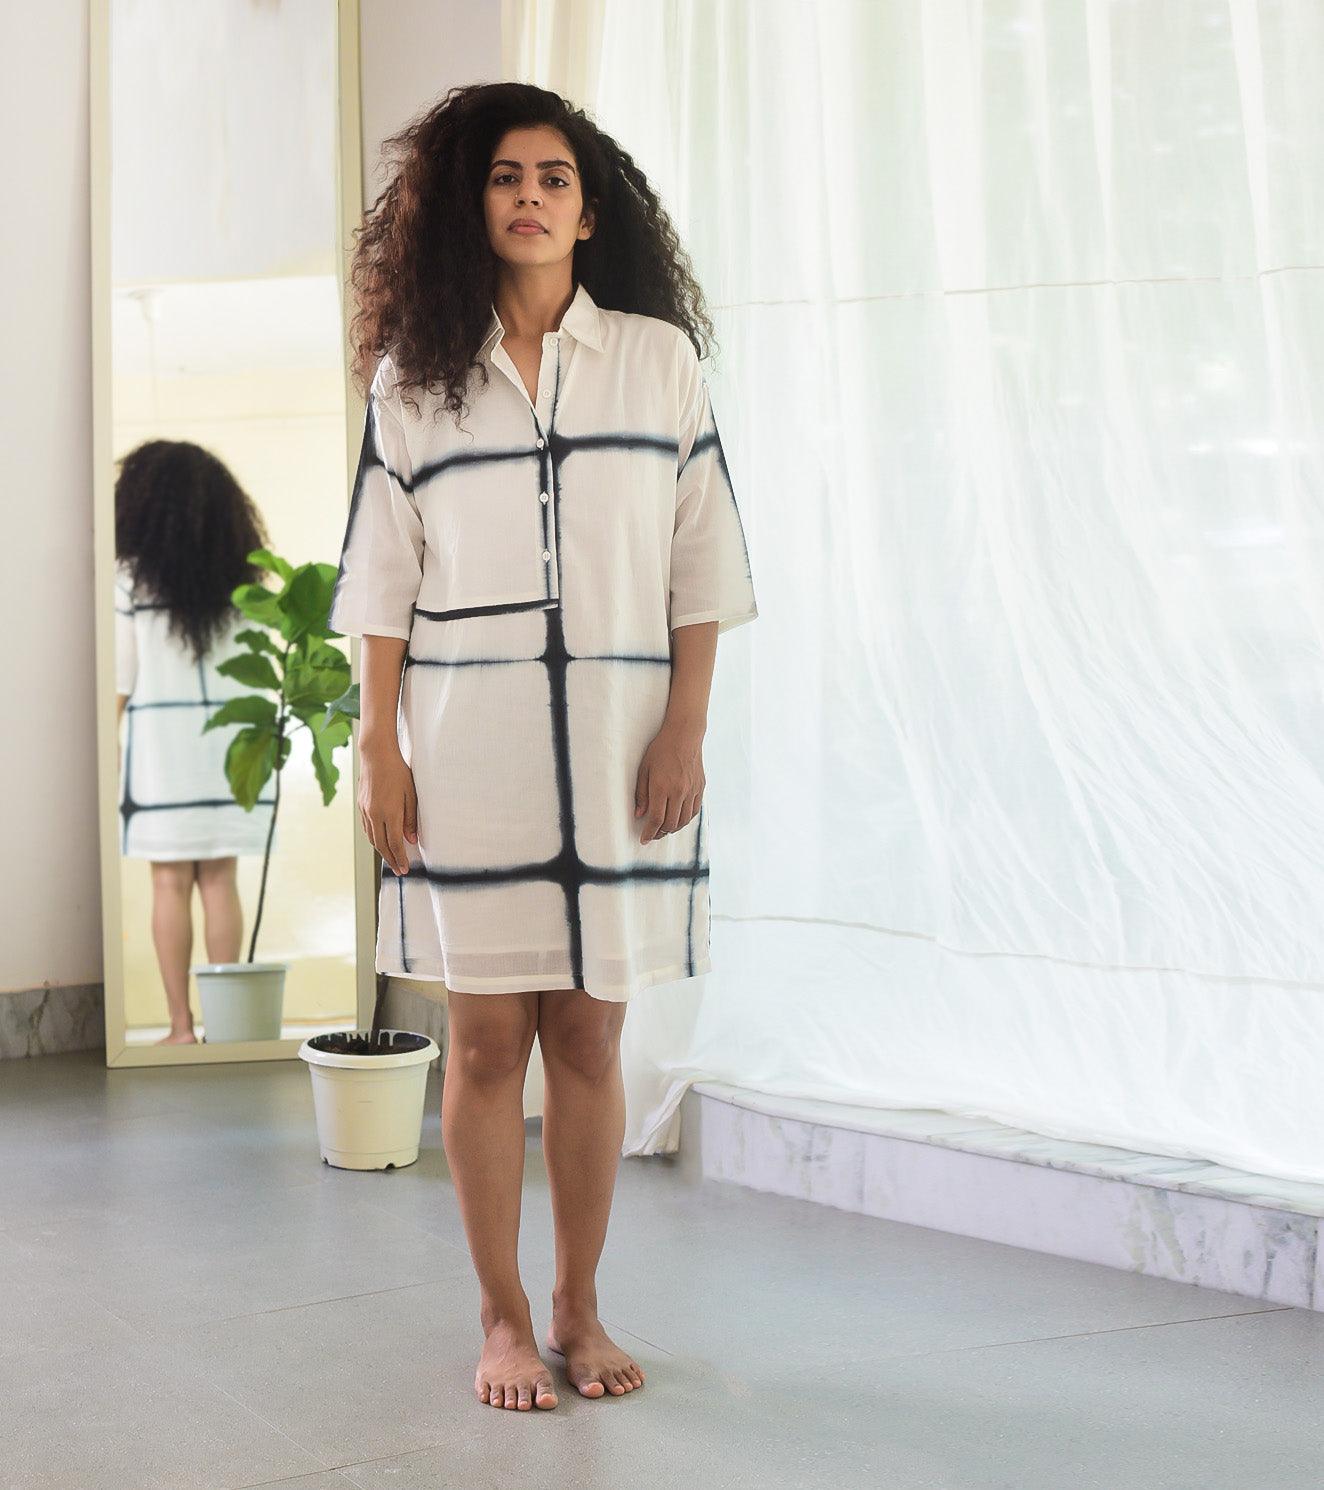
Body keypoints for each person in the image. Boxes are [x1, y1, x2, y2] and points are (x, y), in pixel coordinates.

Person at [330, 82, 758, 1412]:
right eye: (506, 176)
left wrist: (688, 723)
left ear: (589, 212)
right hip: (473, 748)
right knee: (480, 1045)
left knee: (588, 1035)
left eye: (554, 178)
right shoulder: (416, 382)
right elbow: (382, 575)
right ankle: (502, 1317)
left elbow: (702, 557)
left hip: (624, 746)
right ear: (470, 206)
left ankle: (579, 1303)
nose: (529, 196)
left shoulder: (657, 361)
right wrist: (379, 742)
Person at [114, 441, 277, 1044]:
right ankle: (227, 1030)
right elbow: (262, 672)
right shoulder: (243, 580)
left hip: (162, 760)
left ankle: (180, 1026)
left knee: (169, 883)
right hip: (228, 754)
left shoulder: (129, 581)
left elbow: (119, 682)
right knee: (219, 881)